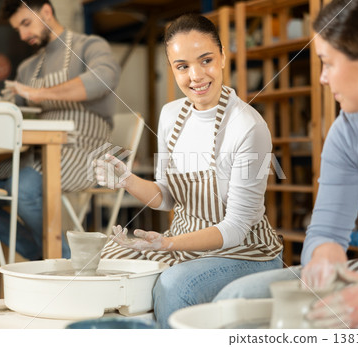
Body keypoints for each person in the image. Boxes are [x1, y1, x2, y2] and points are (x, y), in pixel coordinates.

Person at [213, 0, 358, 329]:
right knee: (239, 300)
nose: (321, 78)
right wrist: (326, 255)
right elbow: (326, 231)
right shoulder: (351, 129)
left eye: (328, 63)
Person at [94, 14, 283, 328]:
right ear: (172, 69)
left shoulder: (247, 126)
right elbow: (166, 196)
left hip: (244, 252)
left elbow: (236, 227)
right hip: (182, 241)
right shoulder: (171, 116)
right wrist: (127, 179)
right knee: (107, 260)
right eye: (182, 66)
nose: (196, 76)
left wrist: (167, 244)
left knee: (175, 286)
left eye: (206, 60)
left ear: (223, 57)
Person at [0, 0, 120, 260]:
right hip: (38, 151)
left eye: (26, 23)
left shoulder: (89, 46)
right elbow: (17, 110)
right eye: (18, 29)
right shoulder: (28, 68)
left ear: (46, 11)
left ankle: (61, 264)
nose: (23, 35)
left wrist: (37, 93)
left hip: (86, 150)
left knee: (22, 189)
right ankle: (55, 259)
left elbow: (103, 80)